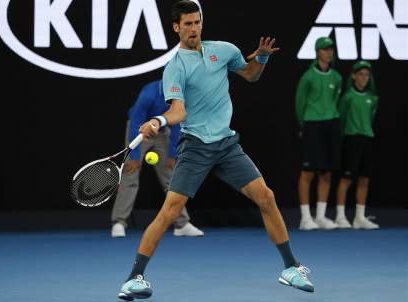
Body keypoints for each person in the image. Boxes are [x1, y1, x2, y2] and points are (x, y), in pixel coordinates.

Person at [117, 1, 314, 300]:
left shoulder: (223, 50)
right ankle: (134, 278)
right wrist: (158, 119)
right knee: (169, 212)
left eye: (197, 22)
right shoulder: (176, 67)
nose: (194, 28)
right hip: (195, 147)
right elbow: (178, 111)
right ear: (176, 27)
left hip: (226, 145)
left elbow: (250, 75)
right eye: (187, 24)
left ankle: (289, 267)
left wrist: (261, 58)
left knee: (266, 197)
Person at [111, 79, 204, 238]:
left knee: (173, 178)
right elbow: (135, 122)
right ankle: (118, 222)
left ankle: (181, 224)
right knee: (130, 174)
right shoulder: (149, 93)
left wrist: (172, 154)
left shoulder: (180, 94)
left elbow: (177, 124)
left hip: (163, 133)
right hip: (140, 131)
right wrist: (134, 155)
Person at [295, 37, 342, 231]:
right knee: (308, 172)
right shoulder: (308, 76)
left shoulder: (337, 77)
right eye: (325, 49)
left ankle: (321, 217)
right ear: (317, 52)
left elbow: (336, 101)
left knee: (326, 172)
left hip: (331, 125)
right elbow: (299, 103)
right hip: (312, 125)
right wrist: (303, 126)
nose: (329, 52)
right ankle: (305, 218)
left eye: (331, 49)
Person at [334, 61, 379, 229]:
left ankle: (359, 217)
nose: (364, 78)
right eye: (360, 74)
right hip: (351, 140)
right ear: (353, 76)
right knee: (346, 179)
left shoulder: (373, 98)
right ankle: (340, 216)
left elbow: (371, 119)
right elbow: (342, 118)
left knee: (364, 179)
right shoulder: (348, 97)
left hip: (367, 139)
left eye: (367, 75)